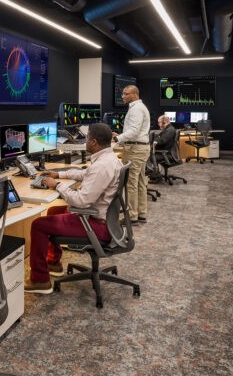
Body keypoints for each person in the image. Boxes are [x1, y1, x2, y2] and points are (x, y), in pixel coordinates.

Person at [25, 123, 123, 294]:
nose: (85, 142)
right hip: (106, 220)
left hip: (97, 225)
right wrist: (60, 174)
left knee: (38, 224)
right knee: (53, 211)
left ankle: (39, 280)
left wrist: (57, 185)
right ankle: (53, 263)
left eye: (86, 139)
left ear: (93, 142)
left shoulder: (102, 166)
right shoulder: (109, 158)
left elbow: (81, 201)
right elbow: (86, 174)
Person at [112, 84, 150, 223]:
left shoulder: (136, 109)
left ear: (134, 94)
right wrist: (121, 135)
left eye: (126, 94)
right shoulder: (139, 107)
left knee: (130, 183)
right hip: (140, 148)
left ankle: (132, 216)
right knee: (140, 182)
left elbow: (134, 131)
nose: (123, 96)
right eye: (123, 94)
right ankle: (141, 213)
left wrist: (117, 138)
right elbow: (135, 130)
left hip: (135, 150)